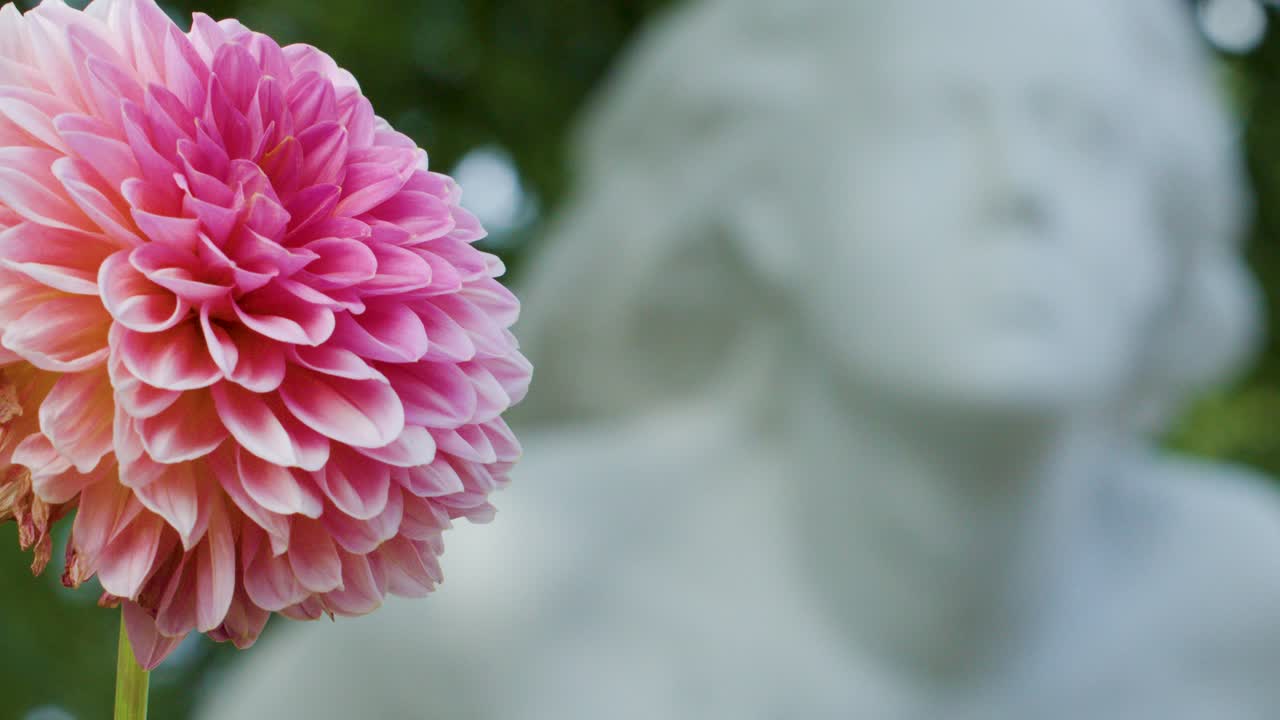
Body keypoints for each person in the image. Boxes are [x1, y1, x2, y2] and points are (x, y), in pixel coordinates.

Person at [199, 0, 1280, 717]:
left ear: (1165, 230)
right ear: (768, 204)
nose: (1018, 185)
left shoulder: (1251, 617)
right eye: (934, 117)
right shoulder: (490, 606)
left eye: (1084, 132)